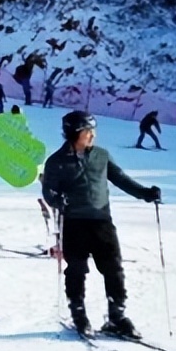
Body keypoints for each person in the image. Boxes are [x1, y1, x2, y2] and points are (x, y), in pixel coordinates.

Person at [43, 111, 160, 339]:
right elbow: (48, 191)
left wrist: (145, 193)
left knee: (113, 268)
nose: (93, 135)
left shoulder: (101, 156)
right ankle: (79, 314)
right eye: (88, 131)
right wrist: (58, 200)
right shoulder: (56, 162)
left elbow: (121, 179)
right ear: (75, 132)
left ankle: (117, 316)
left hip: (101, 221)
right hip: (74, 223)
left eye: (93, 131)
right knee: (77, 269)